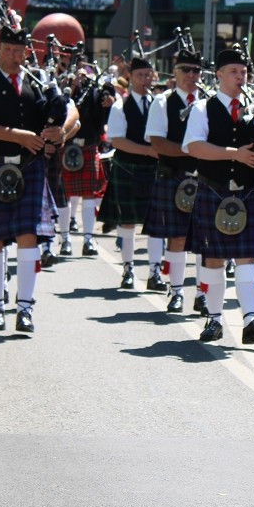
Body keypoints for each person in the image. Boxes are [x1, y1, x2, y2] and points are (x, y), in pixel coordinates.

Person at [0, 22, 69, 333]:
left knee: (28, 238)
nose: (14, 56)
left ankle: (25, 308)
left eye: (19, 51)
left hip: (29, 168)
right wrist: (17, 136)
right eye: (8, 50)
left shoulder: (39, 79)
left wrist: (61, 130)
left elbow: (71, 113)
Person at [182, 47, 254, 344]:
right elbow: (194, 147)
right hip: (213, 191)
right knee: (214, 258)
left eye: (243, 72)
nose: (240, 76)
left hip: (247, 192)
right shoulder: (203, 108)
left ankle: (250, 320)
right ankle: (214, 320)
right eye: (233, 72)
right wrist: (236, 155)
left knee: (247, 258)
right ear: (219, 75)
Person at [144, 49, 206, 313]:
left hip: (205, 178)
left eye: (196, 71)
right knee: (177, 238)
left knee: (205, 240)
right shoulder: (162, 102)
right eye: (186, 70)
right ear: (175, 72)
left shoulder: (208, 102)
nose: (191, 75)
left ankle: (203, 294)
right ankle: (177, 292)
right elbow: (157, 143)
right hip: (173, 176)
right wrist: (190, 150)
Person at [98, 57, 163, 290]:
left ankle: (155, 272)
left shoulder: (160, 103)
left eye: (148, 75)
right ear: (131, 77)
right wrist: (149, 150)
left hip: (155, 170)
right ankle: (128, 270)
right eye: (140, 75)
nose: (145, 80)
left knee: (157, 222)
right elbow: (117, 140)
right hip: (128, 168)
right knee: (126, 223)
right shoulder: (119, 106)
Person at [61, 68, 112, 258]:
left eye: (83, 75)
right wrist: (69, 88)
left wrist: (108, 100)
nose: (80, 78)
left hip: (88, 146)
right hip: (66, 146)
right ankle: (65, 240)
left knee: (90, 196)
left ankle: (88, 240)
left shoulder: (93, 91)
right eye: (77, 74)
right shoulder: (63, 90)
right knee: (64, 195)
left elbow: (105, 97)